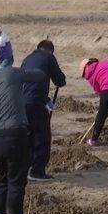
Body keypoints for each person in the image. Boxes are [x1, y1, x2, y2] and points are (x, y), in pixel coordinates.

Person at [0, 63, 46, 214]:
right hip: (15, 134)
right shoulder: (9, 73)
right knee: (16, 180)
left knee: (3, 179)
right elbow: (38, 74)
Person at [21, 40, 67, 181]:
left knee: (28, 136)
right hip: (36, 102)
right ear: (50, 50)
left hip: (21, 102)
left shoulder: (27, 58)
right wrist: (62, 78)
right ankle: (37, 171)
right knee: (42, 136)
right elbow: (59, 80)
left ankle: (25, 168)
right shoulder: (48, 57)